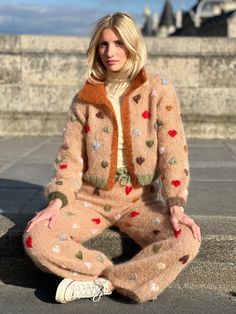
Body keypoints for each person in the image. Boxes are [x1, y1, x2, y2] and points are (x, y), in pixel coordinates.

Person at [23, 12, 202, 304]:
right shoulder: (86, 98)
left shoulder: (158, 89)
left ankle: (98, 283)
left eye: (118, 43)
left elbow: (173, 153)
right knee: (36, 236)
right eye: (103, 45)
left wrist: (176, 204)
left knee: (188, 239)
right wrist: (57, 202)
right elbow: (70, 159)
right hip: (90, 200)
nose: (110, 52)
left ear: (133, 45)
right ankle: (111, 279)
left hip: (140, 202)